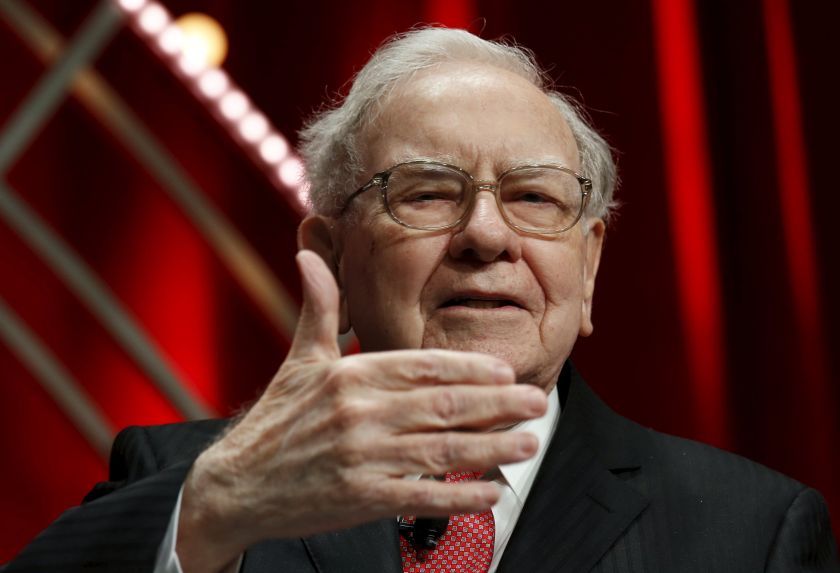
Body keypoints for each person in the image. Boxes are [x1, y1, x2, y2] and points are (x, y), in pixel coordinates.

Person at [5, 27, 838, 573]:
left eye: (536, 198)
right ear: (329, 257)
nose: (486, 234)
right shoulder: (191, 484)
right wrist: (217, 505)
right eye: (429, 192)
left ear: (588, 272)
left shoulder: (752, 531)